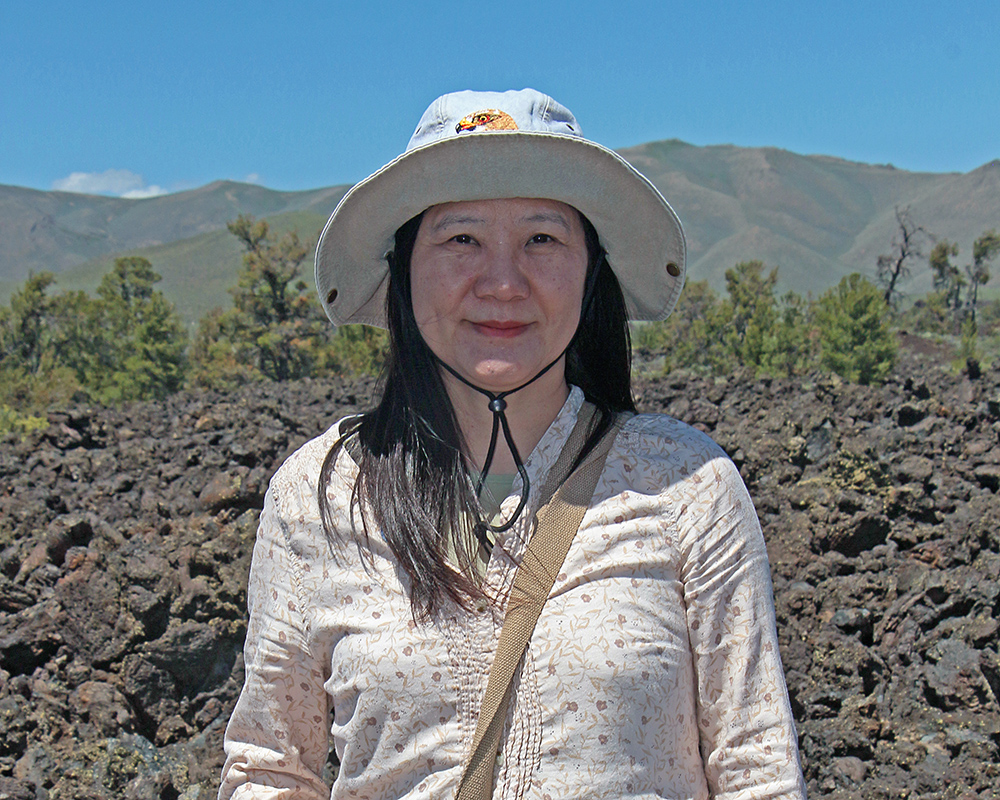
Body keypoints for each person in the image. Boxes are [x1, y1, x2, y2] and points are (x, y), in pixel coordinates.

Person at [219, 89, 807, 800]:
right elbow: (269, 770)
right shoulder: (321, 495)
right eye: (460, 238)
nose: (502, 282)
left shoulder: (685, 485)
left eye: (543, 240)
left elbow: (757, 769)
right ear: (403, 269)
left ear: (593, 272)